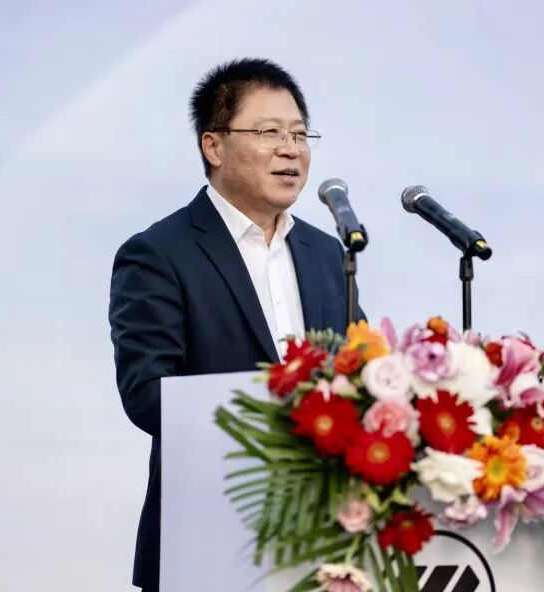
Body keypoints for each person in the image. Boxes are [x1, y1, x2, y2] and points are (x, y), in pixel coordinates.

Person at [108, 58, 362, 592]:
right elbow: (147, 393)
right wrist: (291, 414)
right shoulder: (158, 254)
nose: (290, 149)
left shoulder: (327, 254)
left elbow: (366, 368)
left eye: (299, 135)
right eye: (269, 133)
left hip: (329, 539)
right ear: (214, 146)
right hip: (208, 538)